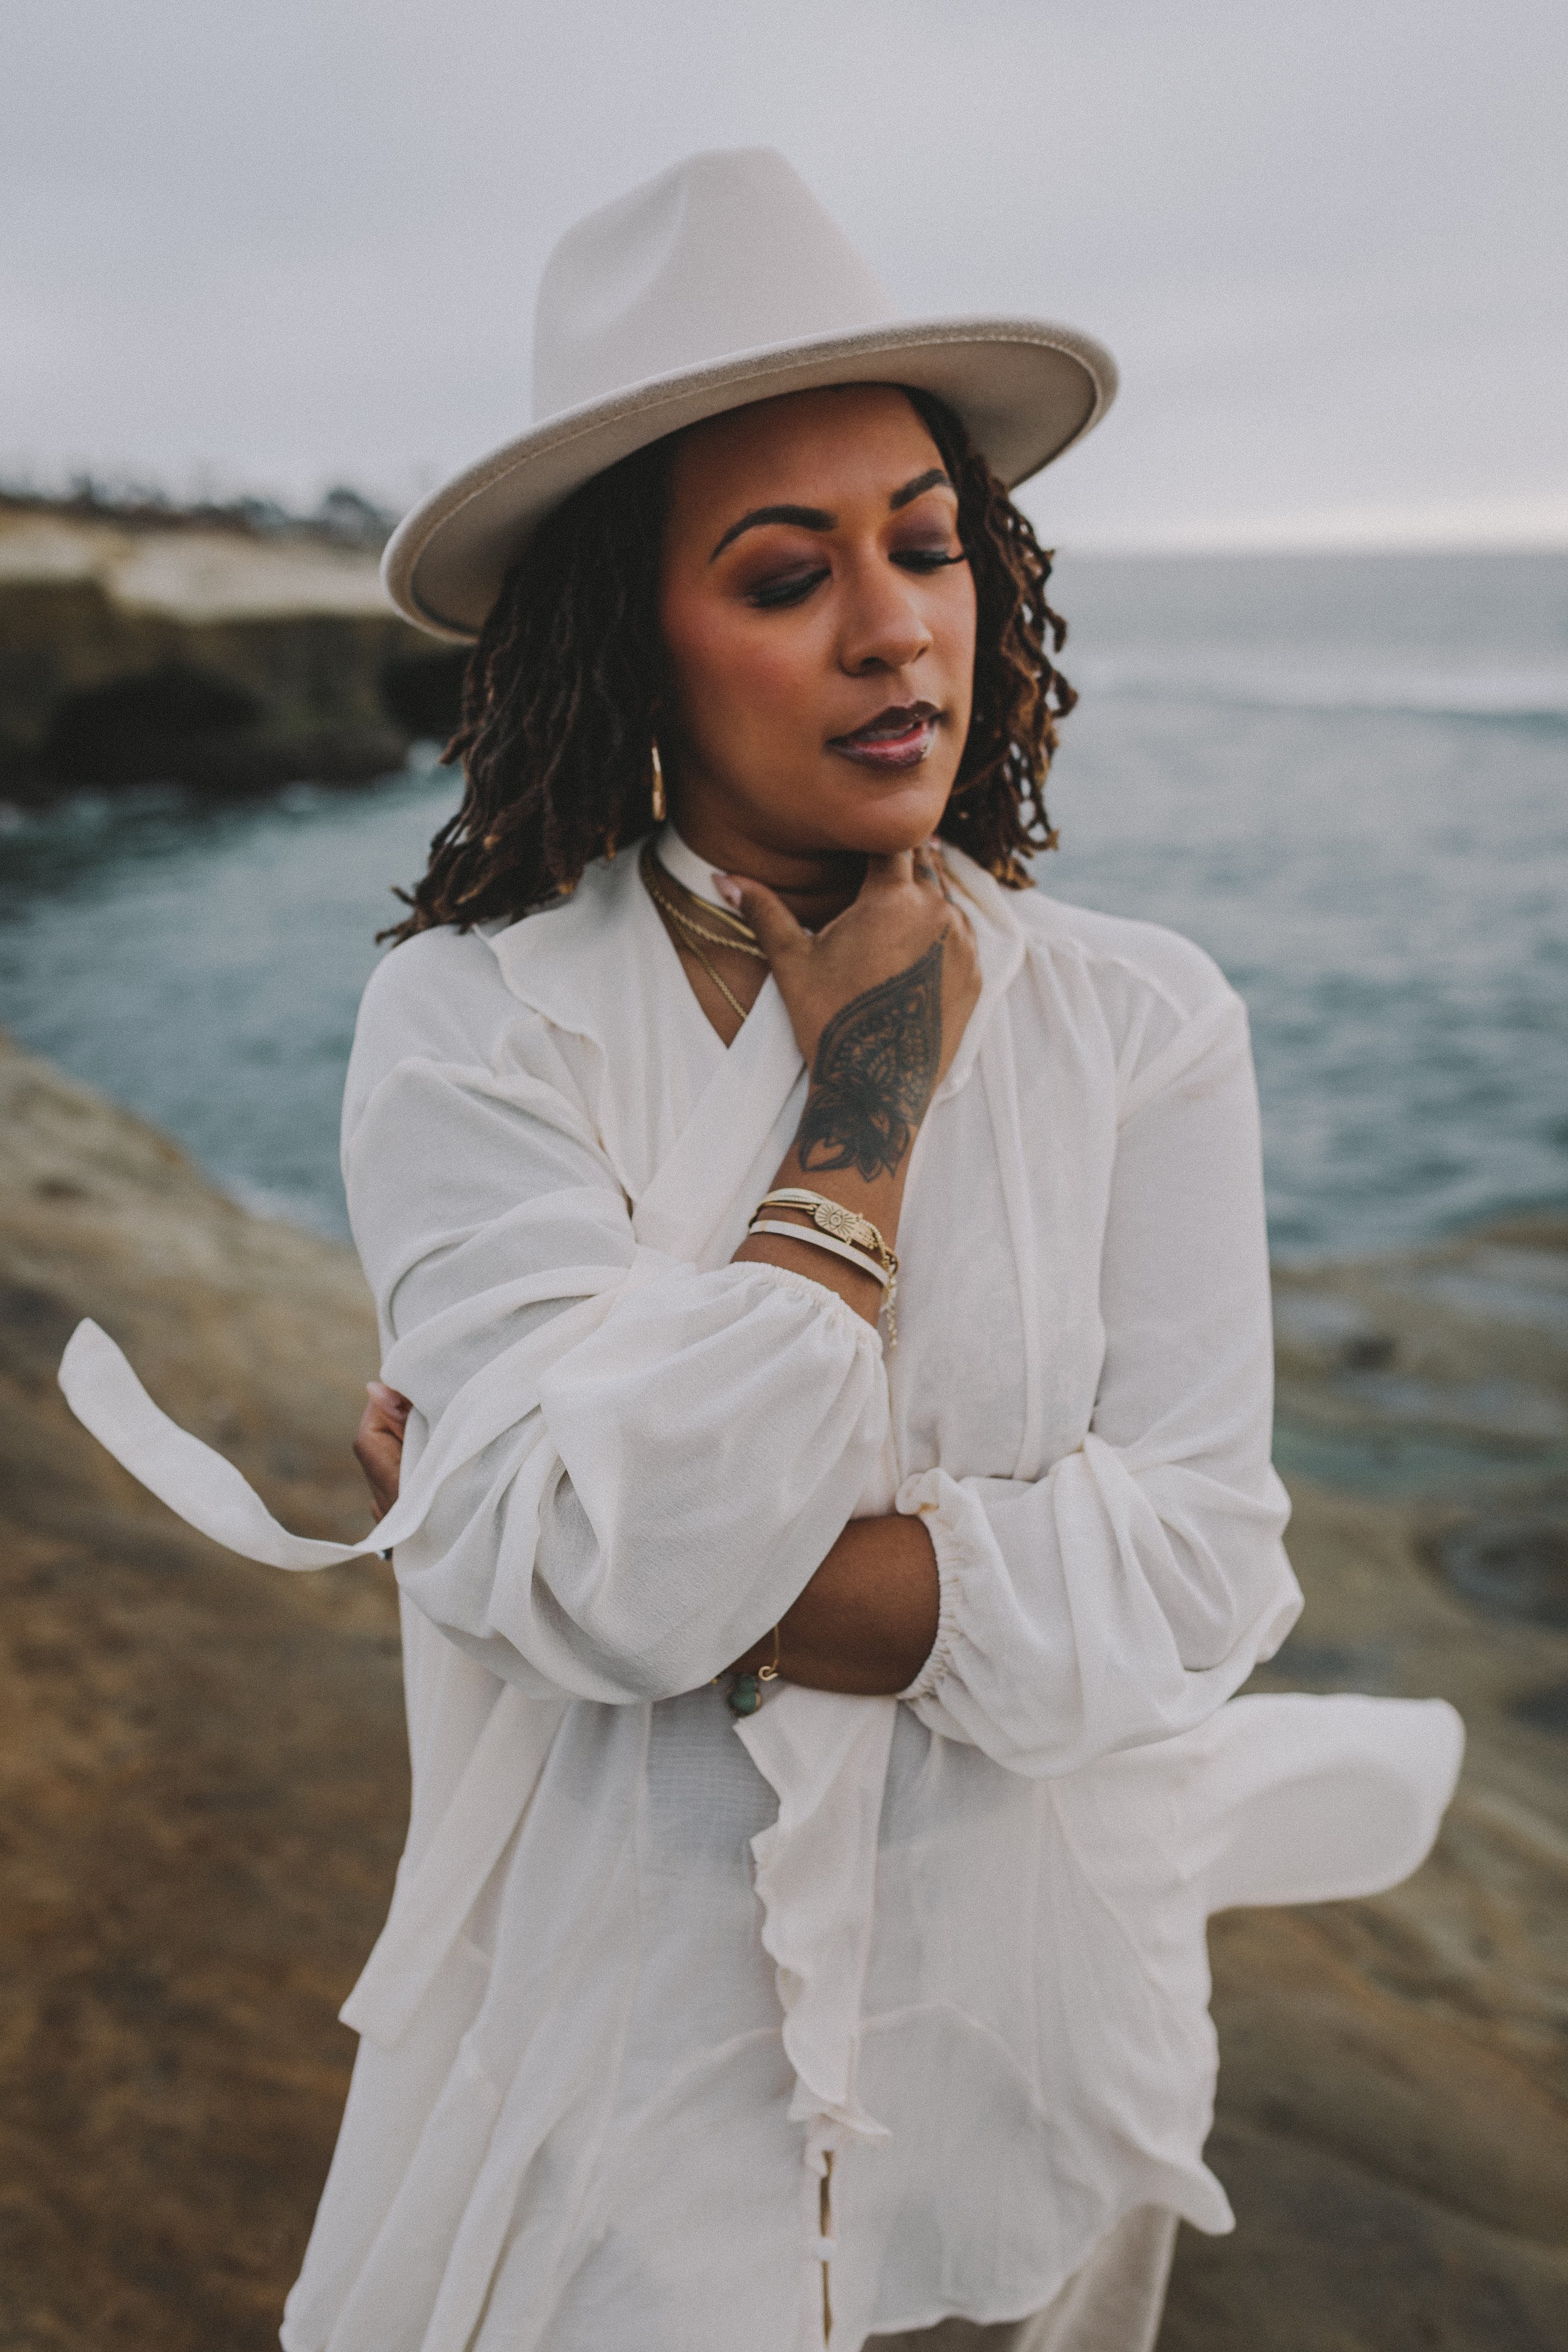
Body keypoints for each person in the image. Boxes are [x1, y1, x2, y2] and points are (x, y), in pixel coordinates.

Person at [60, 149, 1462, 2352]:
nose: (895, 622)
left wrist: (549, 1544)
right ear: (637, 633)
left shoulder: (1141, 1018)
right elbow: (593, 1562)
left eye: (929, 543)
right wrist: (866, 1105)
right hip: (628, 2046)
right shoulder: (476, 1017)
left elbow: (1198, 1568)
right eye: (787, 572)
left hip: (1034, 2015)